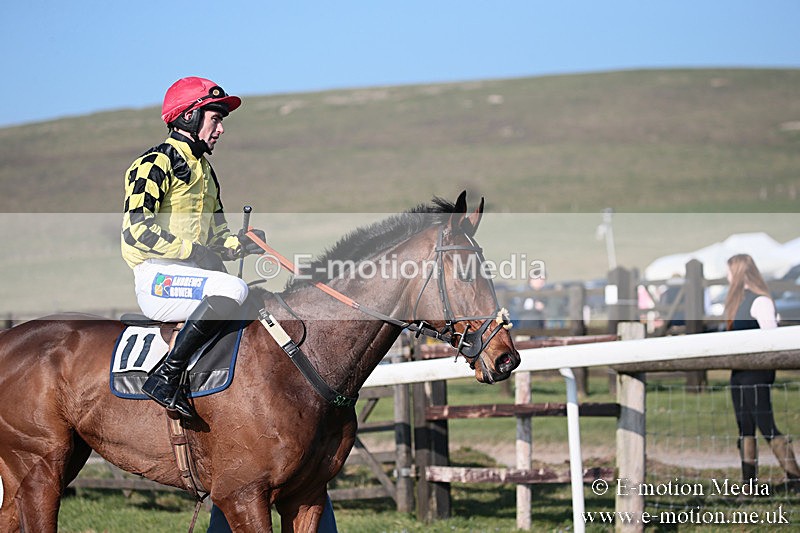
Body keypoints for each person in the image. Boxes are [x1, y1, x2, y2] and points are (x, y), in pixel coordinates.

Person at [121, 76, 266, 420]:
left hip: (190, 277)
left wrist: (240, 244)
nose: (220, 129)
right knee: (233, 288)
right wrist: (190, 251)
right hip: (156, 277)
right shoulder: (154, 163)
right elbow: (136, 231)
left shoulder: (206, 172)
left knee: (256, 299)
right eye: (215, 119)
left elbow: (217, 237)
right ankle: (165, 377)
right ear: (188, 117)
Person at [725, 254, 800, 487]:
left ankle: (796, 479)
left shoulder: (760, 301)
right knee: (744, 427)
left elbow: (771, 339)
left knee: (766, 425)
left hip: (756, 374)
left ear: (738, 272)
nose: (726, 276)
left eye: (729, 271)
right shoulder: (737, 303)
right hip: (739, 373)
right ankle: (749, 484)